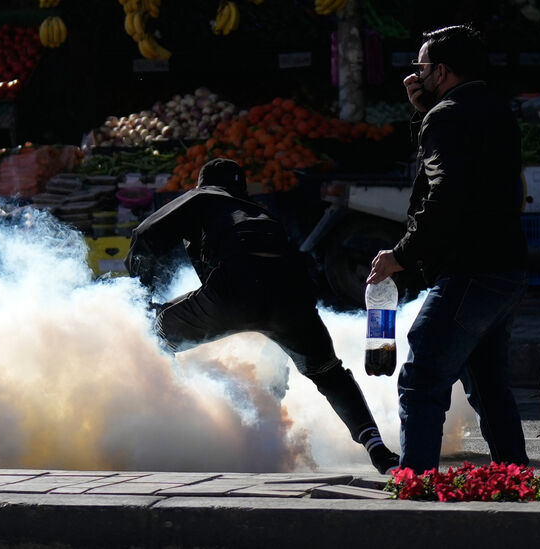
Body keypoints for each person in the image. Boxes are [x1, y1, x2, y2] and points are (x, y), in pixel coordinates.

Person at [126, 158, 400, 474]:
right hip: (293, 305)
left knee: (152, 333)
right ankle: (377, 448)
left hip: (234, 294)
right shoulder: (262, 213)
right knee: (328, 373)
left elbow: (144, 235)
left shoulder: (202, 197)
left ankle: (171, 432)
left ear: (203, 184)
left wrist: (140, 293)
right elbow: (292, 273)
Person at [366, 24, 529, 473]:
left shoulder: (447, 117)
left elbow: (445, 195)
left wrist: (401, 255)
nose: (415, 75)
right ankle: (514, 477)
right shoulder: (493, 107)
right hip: (506, 266)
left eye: (421, 67)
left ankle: (415, 483)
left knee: (421, 378)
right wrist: (427, 112)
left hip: (470, 268)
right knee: (488, 383)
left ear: (440, 71)